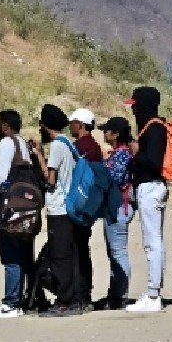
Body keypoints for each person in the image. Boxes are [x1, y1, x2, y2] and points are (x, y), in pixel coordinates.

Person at [0, 109, 35, 319]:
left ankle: (11, 302)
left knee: (10, 254)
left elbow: (1, 177)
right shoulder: (22, 143)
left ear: (5, 125)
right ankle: (23, 300)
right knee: (24, 253)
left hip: (10, 206)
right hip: (26, 206)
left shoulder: (6, 143)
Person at [124, 87, 168, 314]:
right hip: (148, 189)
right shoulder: (149, 128)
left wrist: (135, 153)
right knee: (153, 241)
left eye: (135, 105)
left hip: (152, 188)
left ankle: (153, 295)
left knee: (153, 243)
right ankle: (153, 291)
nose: (133, 110)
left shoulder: (155, 129)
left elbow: (154, 163)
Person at [37, 104, 81, 318]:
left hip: (58, 208)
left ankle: (64, 301)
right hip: (69, 208)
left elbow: (51, 179)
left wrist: (38, 158)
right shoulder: (68, 144)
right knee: (69, 254)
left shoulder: (56, 146)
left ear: (46, 126)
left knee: (60, 256)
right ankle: (72, 297)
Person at [97, 115, 136, 311]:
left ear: (116, 134)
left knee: (118, 252)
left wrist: (103, 164)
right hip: (117, 208)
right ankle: (115, 294)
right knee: (114, 253)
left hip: (119, 208)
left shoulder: (122, 155)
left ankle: (121, 296)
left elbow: (115, 178)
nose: (104, 133)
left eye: (107, 130)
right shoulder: (120, 153)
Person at [68, 108, 101, 309]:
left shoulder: (82, 147)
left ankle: (80, 295)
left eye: (72, 122)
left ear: (80, 124)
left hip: (78, 206)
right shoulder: (94, 147)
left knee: (77, 250)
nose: (70, 126)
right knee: (81, 249)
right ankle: (83, 293)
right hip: (88, 206)